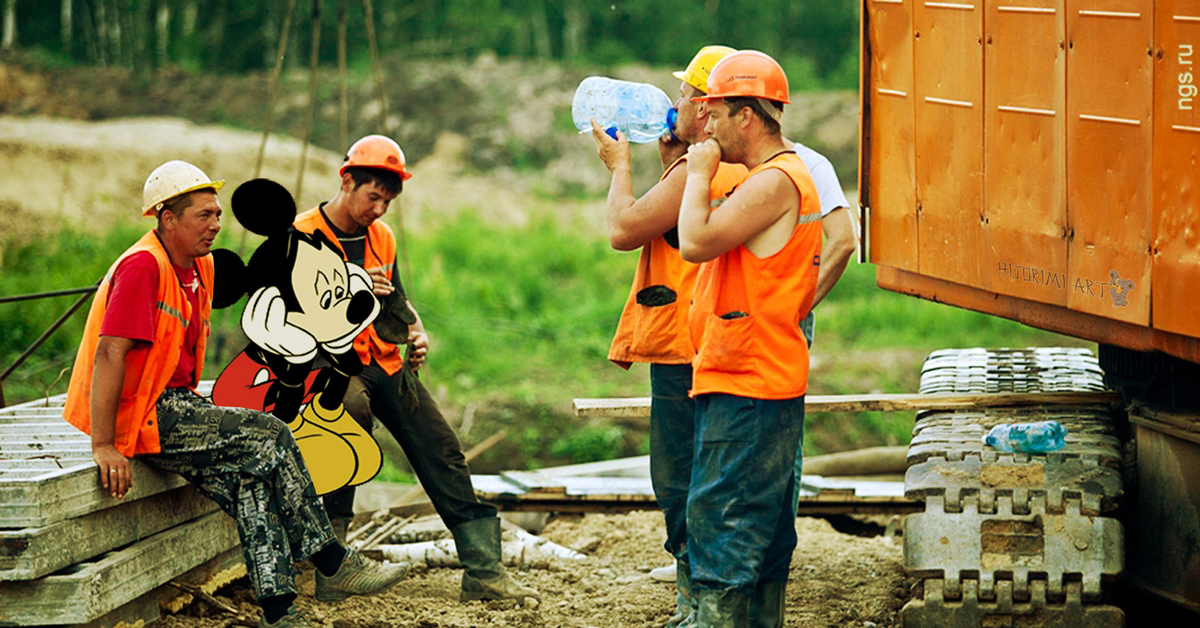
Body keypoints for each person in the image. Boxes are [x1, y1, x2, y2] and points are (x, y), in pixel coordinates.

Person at [63, 160, 410, 628]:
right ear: (168, 218)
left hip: (177, 405)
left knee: (250, 481)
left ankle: (279, 612)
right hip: (144, 414)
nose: (216, 225)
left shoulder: (200, 268)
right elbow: (110, 354)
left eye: (217, 214)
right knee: (269, 434)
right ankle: (332, 559)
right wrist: (104, 443)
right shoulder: (144, 267)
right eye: (203, 215)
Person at [293, 135, 540, 606]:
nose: (380, 209)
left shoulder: (381, 237)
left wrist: (417, 332)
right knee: (347, 416)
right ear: (347, 181)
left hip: (380, 359)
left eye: (388, 200)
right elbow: (284, 315)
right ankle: (334, 567)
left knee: (441, 445)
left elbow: (397, 299)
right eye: (373, 197)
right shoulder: (302, 235)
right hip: (325, 363)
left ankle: (484, 572)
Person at [590, 45, 746, 628]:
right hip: (718, 340)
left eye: (684, 94)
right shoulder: (725, 167)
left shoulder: (696, 172)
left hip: (687, 346)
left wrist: (620, 168)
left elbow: (624, 229)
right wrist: (671, 163)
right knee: (712, 472)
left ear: (706, 108)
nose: (672, 101)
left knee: (680, 477)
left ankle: (700, 604)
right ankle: (703, 598)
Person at [677, 50, 822, 627]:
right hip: (759, 378)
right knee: (759, 529)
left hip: (748, 383)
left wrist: (695, 174)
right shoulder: (778, 178)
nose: (703, 126)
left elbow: (694, 241)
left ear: (747, 116)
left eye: (713, 113)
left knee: (723, 525)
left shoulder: (775, 182)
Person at [786, 141, 857, 508]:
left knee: (774, 437)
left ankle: (763, 557)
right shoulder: (705, 164)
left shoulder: (808, 164)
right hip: (716, 320)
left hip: (775, 324)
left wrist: (793, 308)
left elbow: (844, 239)